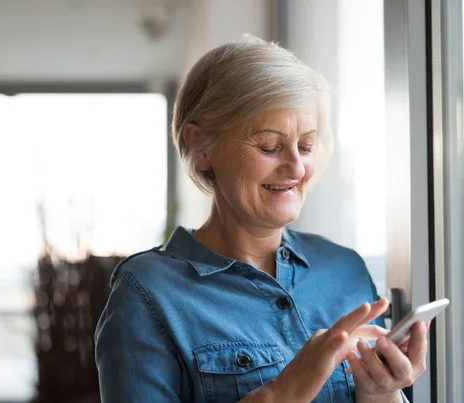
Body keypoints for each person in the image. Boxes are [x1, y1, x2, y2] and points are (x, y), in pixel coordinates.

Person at [95, 35, 428, 403]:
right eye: (270, 146)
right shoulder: (147, 293)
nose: (297, 167)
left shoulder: (345, 270)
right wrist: (283, 392)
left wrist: (380, 393)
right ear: (201, 147)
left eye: (305, 146)